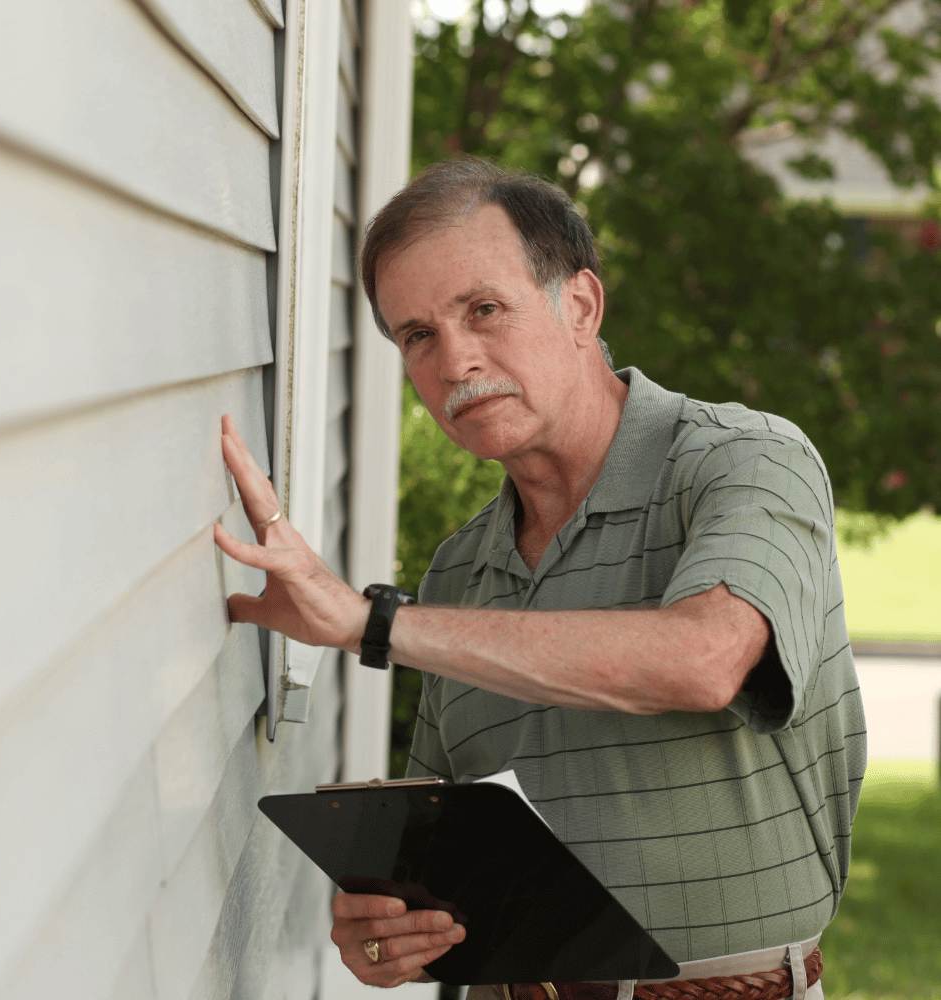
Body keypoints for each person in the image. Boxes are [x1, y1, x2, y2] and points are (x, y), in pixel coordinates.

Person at [212, 158, 865, 999]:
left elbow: (708, 659)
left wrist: (371, 622)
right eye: (417, 336)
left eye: (483, 309)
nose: (454, 361)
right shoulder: (459, 569)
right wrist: (388, 935)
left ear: (581, 306)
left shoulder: (743, 460)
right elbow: (444, 858)